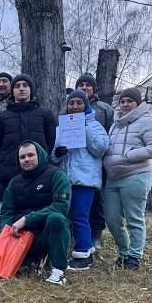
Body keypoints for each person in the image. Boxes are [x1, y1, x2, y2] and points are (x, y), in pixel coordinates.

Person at [103, 88, 152, 271]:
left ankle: (134, 257)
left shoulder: (145, 122)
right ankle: (124, 253)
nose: (125, 104)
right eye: (122, 101)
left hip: (135, 176)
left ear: (138, 103)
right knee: (112, 220)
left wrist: (129, 155)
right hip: (113, 179)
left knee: (134, 219)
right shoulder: (115, 124)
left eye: (130, 101)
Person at [0, 141, 72, 286]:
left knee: (57, 218)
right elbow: (7, 212)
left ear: (40, 155)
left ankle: (59, 271)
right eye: (22, 157)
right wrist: (4, 233)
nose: (26, 159)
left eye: (31, 155)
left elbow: (61, 206)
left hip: (46, 233)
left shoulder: (57, 175)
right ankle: (34, 259)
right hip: (21, 236)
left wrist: (27, 219)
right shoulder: (14, 182)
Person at [51, 90, 109, 271]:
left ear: (86, 106)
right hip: (65, 180)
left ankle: (83, 255)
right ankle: (75, 251)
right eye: (71, 103)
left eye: (79, 103)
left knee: (80, 217)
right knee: (65, 216)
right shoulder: (61, 128)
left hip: (85, 180)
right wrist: (56, 154)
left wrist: (84, 127)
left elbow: (100, 148)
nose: (75, 107)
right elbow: (52, 156)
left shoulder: (95, 126)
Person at [0, 74, 57, 187]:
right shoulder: (1, 117)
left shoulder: (45, 114)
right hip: (9, 174)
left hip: (40, 173)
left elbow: (50, 142)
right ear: (12, 91)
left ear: (31, 90)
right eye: (17, 86)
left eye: (25, 85)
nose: (21, 88)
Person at [74, 73, 115, 250]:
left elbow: (110, 135)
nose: (84, 88)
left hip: (96, 164)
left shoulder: (104, 109)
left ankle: (96, 234)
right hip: (74, 165)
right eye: (80, 85)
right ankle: (76, 236)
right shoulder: (67, 110)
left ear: (93, 89)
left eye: (87, 85)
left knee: (98, 199)